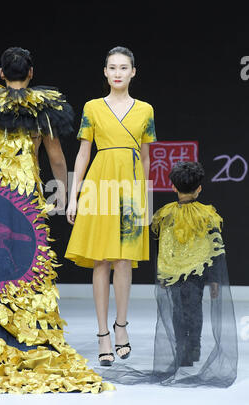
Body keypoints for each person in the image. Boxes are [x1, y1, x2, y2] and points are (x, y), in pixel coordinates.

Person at [0, 47, 113, 394]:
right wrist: (63, 195)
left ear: (0, 72)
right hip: (21, 199)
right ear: (32, 73)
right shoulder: (42, 111)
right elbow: (55, 157)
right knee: (20, 266)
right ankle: (21, 335)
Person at [98, 161, 238, 387]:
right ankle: (193, 349)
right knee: (194, 309)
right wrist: (214, 280)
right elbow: (216, 250)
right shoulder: (207, 215)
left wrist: (162, 274)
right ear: (199, 188)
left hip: (173, 272)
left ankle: (184, 350)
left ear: (173, 187)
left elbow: (161, 247)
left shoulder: (166, 214)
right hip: (196, 272)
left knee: (178, 310)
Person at [65, 46, 157, 366]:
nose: (118, 73)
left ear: (133, 72)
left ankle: (121, 327)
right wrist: (73, 195)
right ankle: (103, 333)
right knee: (101, 260)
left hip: (130, 187)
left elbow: (146, 156)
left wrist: (144, 196)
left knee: (123, 260)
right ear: (105, 72)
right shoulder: (92, 107)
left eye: (124, 67)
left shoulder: (145, 110)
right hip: (99, 184)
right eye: (112, 67)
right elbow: (82, 153)